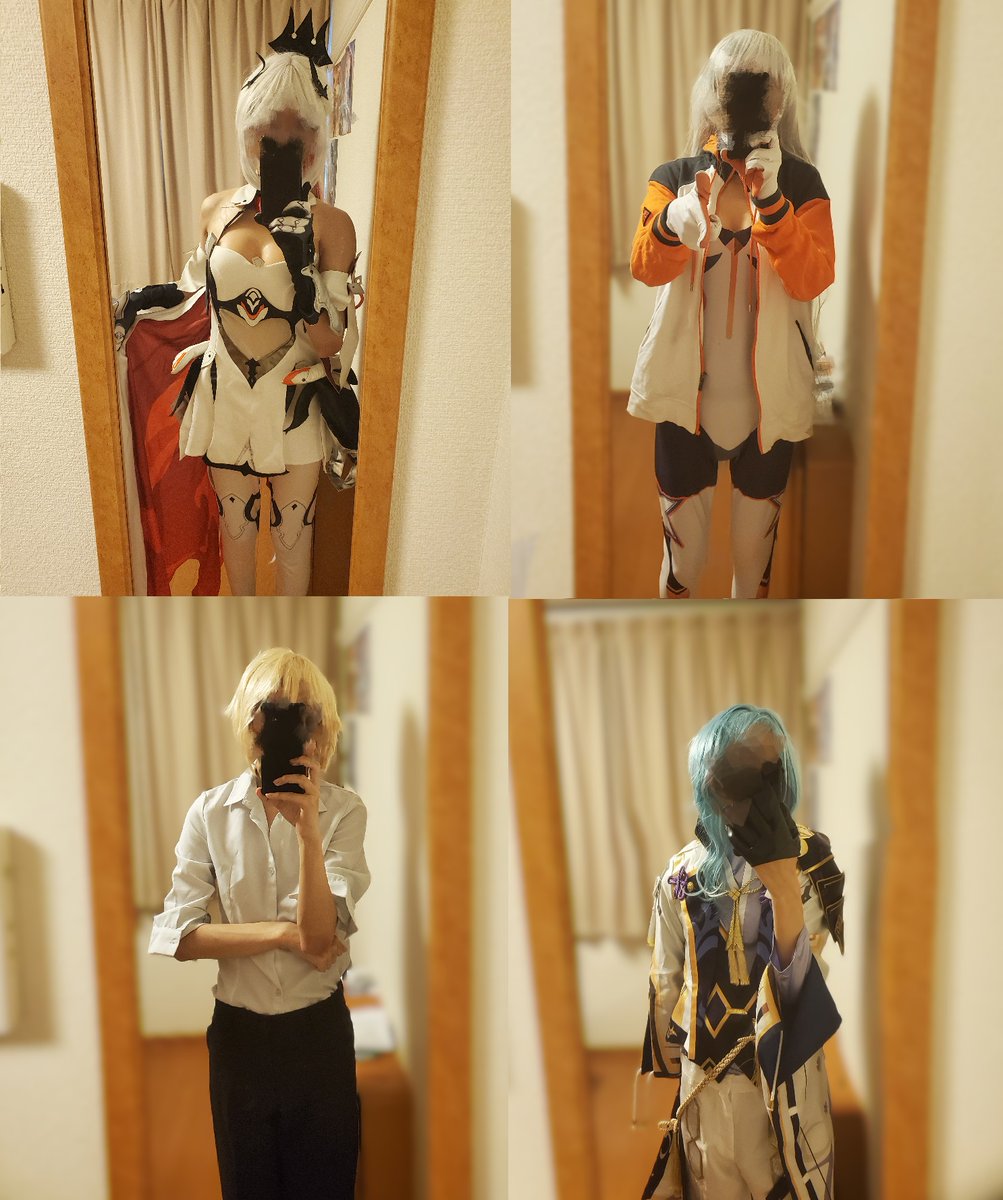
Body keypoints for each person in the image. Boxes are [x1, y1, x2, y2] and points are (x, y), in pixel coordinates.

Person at [121, 10, 363, 595]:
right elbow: (195, 290)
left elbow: (331, 342)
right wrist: (143, 301)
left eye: (297, 134)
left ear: (316, 138)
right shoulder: (216, 209)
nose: (281, 144)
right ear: (246, 131)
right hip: (224, 392)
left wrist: (302, 272)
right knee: (236, 533)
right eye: (267, 132)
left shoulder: (332, 224)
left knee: (294, 539)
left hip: (295, 401)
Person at [149, 648, 370, 1200]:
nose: (284, 726)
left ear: (323, 725)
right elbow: (181, 937)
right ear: (248, 720)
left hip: (318, 1035)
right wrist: (282, 933)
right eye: (270, 712)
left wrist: (309, 834)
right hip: (239, 1039)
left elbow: (319, 937)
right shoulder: (209, 813)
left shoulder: (344, 812)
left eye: (302, 713)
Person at [629, 31, 835, 600]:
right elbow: (644, 265)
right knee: (681, 569)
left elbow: (814, 277)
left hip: (769, 406)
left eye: (759, 87)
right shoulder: (674, 177)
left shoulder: (802, 183)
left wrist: (774, 205)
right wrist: (672, 222)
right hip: (684, 402)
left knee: (754, 570)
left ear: (782, 97)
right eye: (734, 85)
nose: (745, 99)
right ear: (711, 91)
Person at [639, 704, 845, 1200]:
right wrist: (674, 1059)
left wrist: (783, 885)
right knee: (710, 1182)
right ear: (708, 784)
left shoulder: (812, 863)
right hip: (705, 1080)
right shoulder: (679, 874)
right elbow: (667, 978)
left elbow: (805, 986)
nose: (748, 793)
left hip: (781, 1079)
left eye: (765, 772)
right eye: (732, 774)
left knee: (788, 1180)